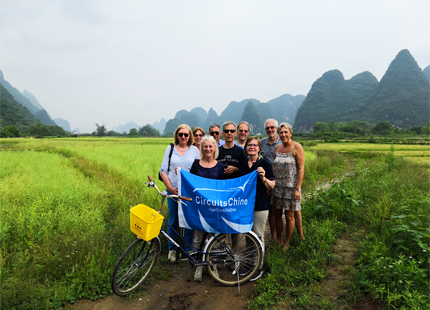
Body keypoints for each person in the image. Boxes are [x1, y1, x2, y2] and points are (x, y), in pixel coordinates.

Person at [160, 124, 200, 263]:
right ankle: (172, 249)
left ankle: (188, 248)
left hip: (188, 192)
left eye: (186, 134)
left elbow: (198, 171)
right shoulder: (170, 149)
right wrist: (170, 188)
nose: (183, 137)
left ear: (190, 136)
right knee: (173, 221)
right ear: (177, 135)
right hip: (173, 191)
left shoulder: (195, 150)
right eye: (180, 134)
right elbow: (163, 171)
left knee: (188, 221)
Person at [189, 135, 224, 281]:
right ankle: (199, 265)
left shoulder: (220, 166)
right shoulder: (196, 164)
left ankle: (213, 265)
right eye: (205, 146)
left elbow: (222, 187)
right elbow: (189, 183)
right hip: (199, 207)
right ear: (202, 148)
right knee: (199, 238)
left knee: (214, 237)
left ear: (215, 148)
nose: (208, 149)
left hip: (214, 208)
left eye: (211, 146)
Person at [271, 123, 305, 250]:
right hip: (278, 187)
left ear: (291, 133)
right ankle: (279, 238)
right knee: (277, 215)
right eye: (281, 132)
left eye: (286, 132)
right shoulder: (277, 148)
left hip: (291, 188)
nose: (283, 135)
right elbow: (274, 165)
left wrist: (298, 188)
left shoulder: (297, 147)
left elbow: (301, 168)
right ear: (278, 134)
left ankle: (287, 242)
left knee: (290, 216)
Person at [260, 119, 282, 242]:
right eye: (267, 128)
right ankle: (273, 236)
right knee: (270, 210)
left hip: (281, 180)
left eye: (272, 127)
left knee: (281, 211)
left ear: (276, 128)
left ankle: (280, 238)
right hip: (267, 180)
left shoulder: (282, 141)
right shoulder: (262, 142)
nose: (270, 130)